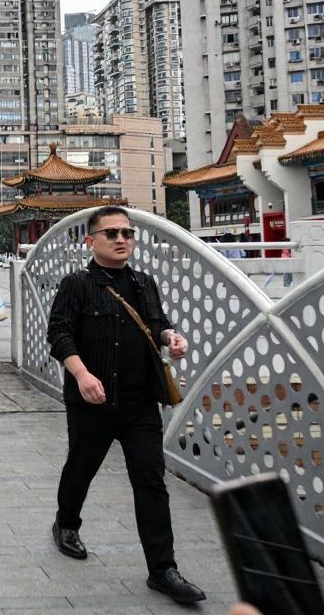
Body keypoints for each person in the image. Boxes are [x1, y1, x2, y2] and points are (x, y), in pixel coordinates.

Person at [47, 207, 205, 605]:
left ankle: (163, 569)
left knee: (151, 481)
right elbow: (60, 334)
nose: (121, 240)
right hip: (93, 401)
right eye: (111, 233)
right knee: (81, 467)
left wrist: (171, 337)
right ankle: (66, 523)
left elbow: (155, 322)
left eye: (127, 233)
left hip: (139, 404)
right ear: (90, 240)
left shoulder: (142, 283)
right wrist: (82, 375)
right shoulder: (76, 284)